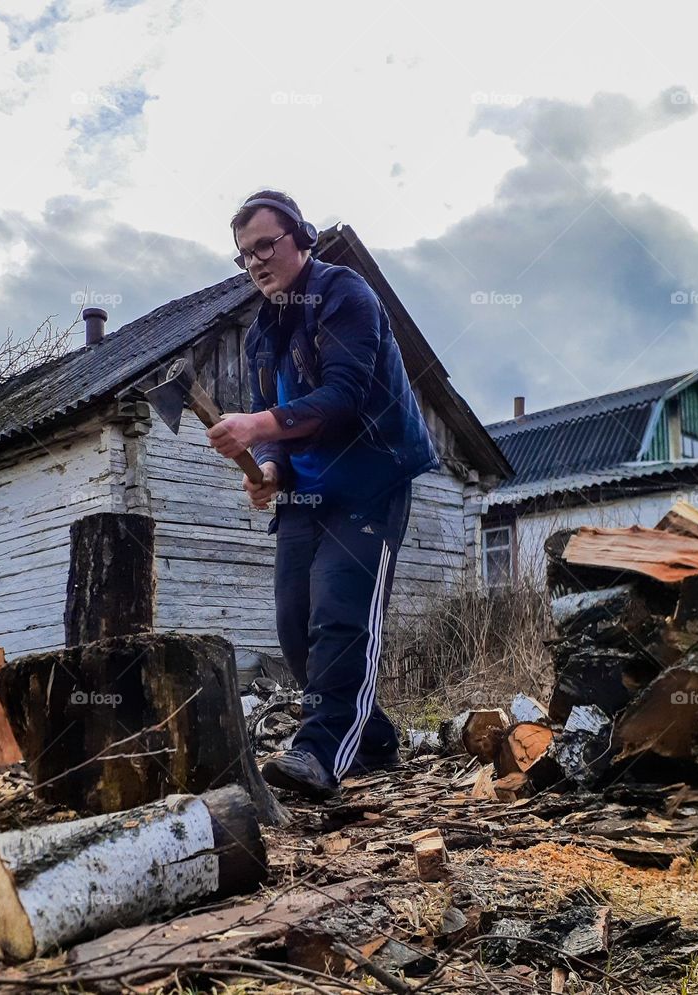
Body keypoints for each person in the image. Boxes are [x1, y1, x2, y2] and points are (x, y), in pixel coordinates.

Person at [207, 190, 439, 800]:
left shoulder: (344, 295)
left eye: (266, 245)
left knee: (341, 615)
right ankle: (375, 740)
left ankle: (321, 754)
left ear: (302, 239)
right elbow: (275, 422)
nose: (256, 262)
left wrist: (256, 428)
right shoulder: (263, 335)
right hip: (305, 493)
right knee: (294, 626)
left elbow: (344, 395)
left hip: (368, 478)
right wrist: (272, 468)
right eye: (243, 255)